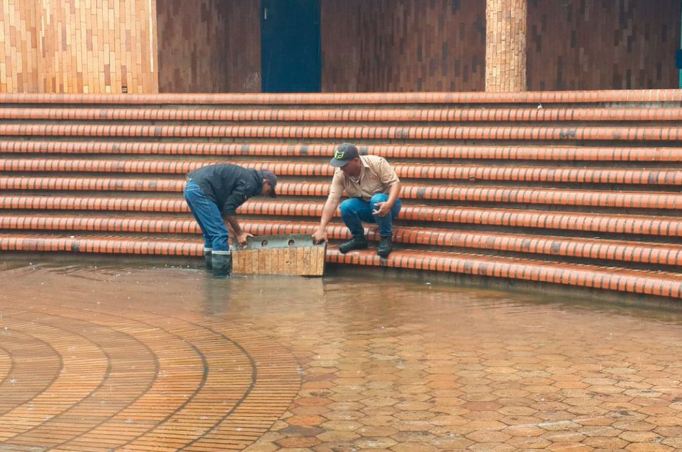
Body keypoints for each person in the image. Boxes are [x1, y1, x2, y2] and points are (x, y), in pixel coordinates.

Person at [184, 163, 277, 277]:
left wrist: (228, 226)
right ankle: (221, 279)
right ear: (266, 182)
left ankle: (210, 275)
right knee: (220, 234)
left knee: (210, 235)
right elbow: (229, 208)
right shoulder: (250, 184)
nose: (265, 194)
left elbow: (224, 208)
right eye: (268, 190)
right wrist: (239, 233)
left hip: (192, 187)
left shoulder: (246, 177)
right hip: (202, 190)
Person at [312, 143, 401, 258]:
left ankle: (385, 238)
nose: (341, 168)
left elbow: (395, 184)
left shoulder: (376, 163)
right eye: (339, 165)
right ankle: (359, 239)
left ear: (356, 160)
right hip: (367, 207)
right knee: (345, 206)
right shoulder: (340, 174)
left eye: (344, 165)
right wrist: (322, 228)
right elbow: (332, 199)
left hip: (388, 206)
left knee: (376, 199)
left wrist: (389, 204)